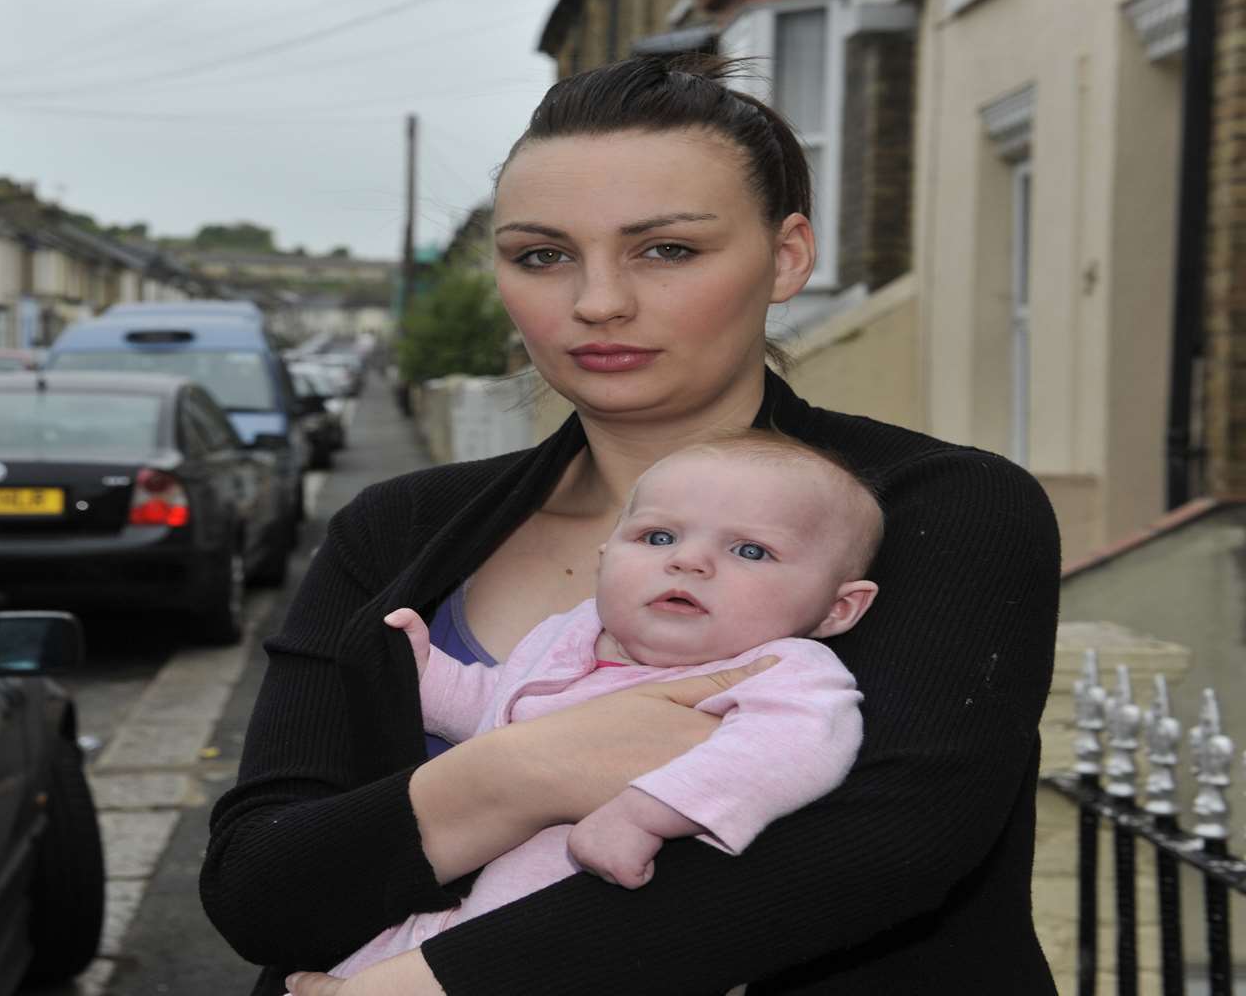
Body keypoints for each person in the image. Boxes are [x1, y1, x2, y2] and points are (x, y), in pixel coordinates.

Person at [199, 53, 1060, 996]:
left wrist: (414, 985)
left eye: (667, 249)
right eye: (542, 255)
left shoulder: (939, 509)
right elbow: (259, 890)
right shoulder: (398, 529)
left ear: (786, 257)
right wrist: (525, 770)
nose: (597, 301)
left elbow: (882, 850)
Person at [325, 434, 880, 987]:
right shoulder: (573, 633)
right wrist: (422, 677)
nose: (687, 560)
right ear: (605, 558)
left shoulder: (786, 668)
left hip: (580, 945)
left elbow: (790, 751)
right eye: (658, 536)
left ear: (838, 608)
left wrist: (648, 811)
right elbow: (497, 710)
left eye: (750, 550)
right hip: (459, 914)